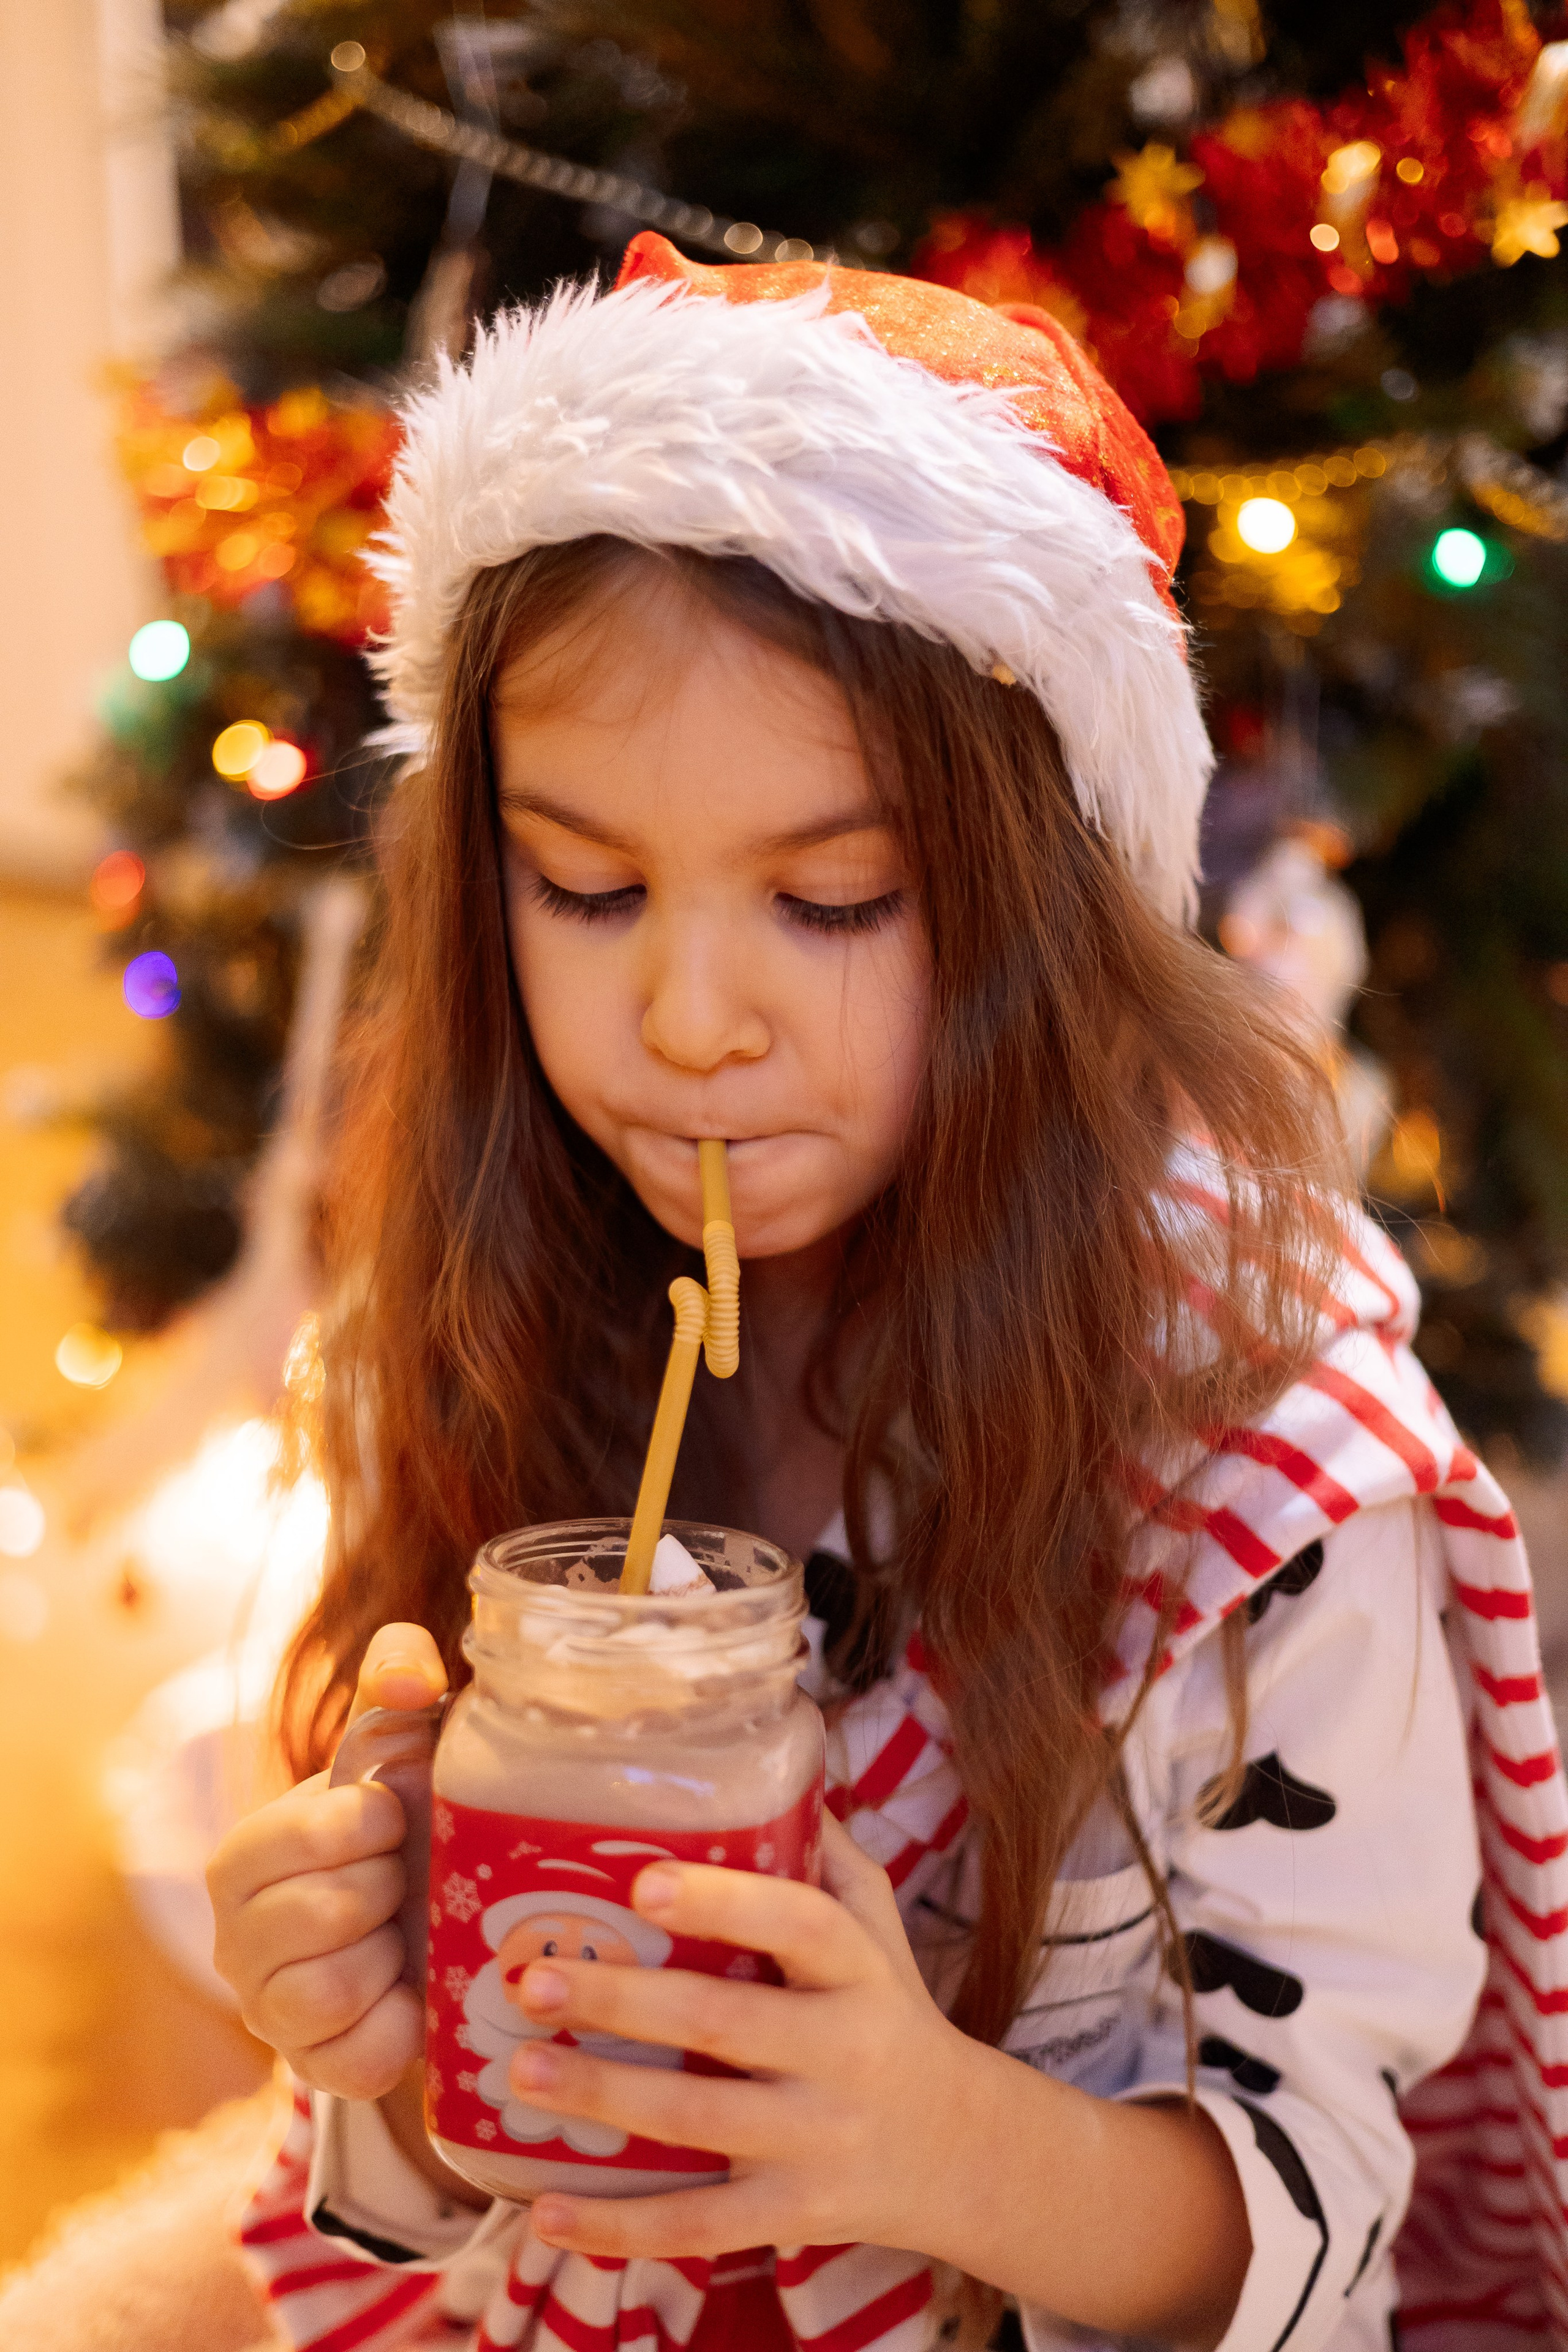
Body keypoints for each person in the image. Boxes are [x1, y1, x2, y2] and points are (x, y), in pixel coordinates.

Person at [185, 235, 1568, 2352]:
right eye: (587, 886)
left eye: (833, 899)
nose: (691, 1019)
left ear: (1039, 908)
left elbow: (1318, 2210)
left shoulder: (1265, 1469)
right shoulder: (469, 1329)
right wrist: (391, 2059)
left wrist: (929, 2141)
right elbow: (479, 2165)